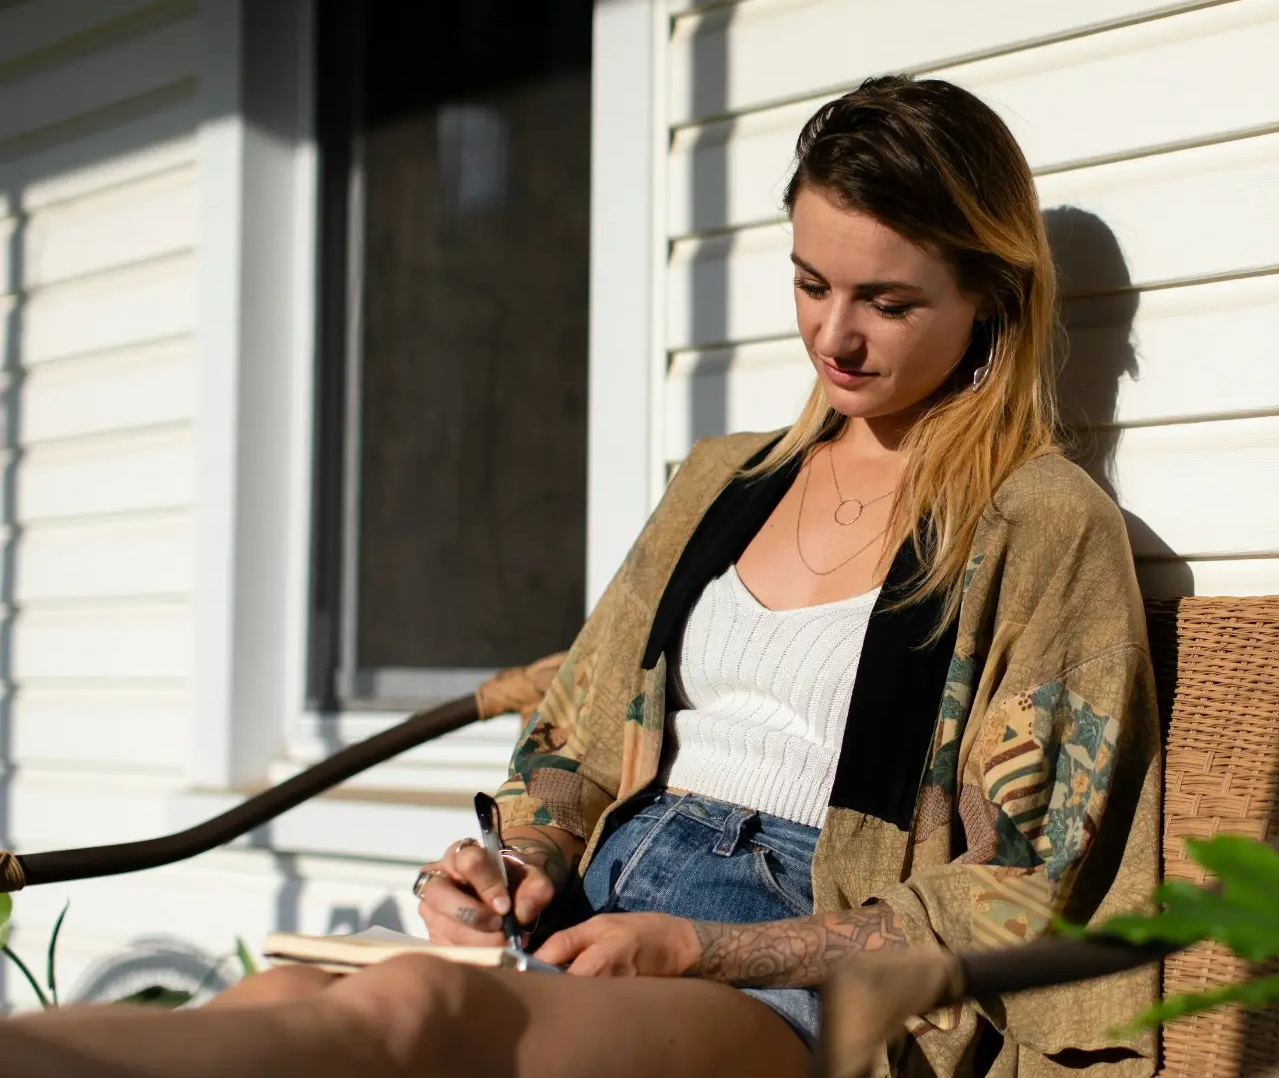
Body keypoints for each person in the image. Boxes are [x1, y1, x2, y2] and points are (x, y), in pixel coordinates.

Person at [0, 75, 1161, 1078]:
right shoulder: (726, 481)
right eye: (812, 284)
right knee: (282, 997)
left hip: (807, 979)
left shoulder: (1041, 526)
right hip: (607, 913)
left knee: (413, 1015)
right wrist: (517, 861)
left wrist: (705, 949)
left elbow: (1018, 891)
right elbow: (580, 743)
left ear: (990, 297)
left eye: (888, 303)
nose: (834, 337)